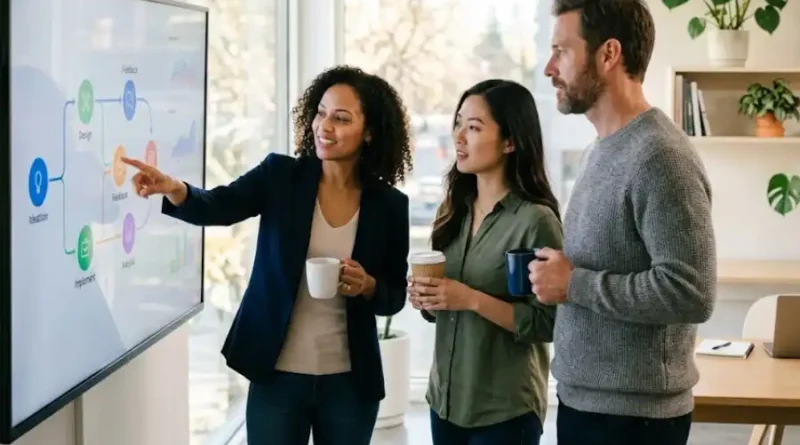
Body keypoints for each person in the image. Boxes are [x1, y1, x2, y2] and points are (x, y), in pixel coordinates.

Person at [121, 65, 413, 445]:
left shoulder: (389, 205)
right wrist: (176, 189)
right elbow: (220, 205)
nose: (324, 126)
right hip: (277, 375)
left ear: (369, 132)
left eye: (341, 119)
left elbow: (394, 297)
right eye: (321, 113)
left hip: (349, 384)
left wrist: (369, 285)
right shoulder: (280, 175)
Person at [529, 1, 717, 444]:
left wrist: (574, 284)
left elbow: (691, 293)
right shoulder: (599, 149)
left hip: (633, 421)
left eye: (562, 51)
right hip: (587, 404)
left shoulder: (661, 157)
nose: (550, 69)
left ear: (609, 54)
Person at [408, 79, 564, 445]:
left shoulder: (535, 221)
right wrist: (428, 299)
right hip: (445, 402)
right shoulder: (453, 212)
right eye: (458, 124)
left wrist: (470, 299)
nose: (459, 137)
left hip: (504, 411)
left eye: (474, 127)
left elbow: (549, 323)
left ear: (510, 141)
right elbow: (443, 308)